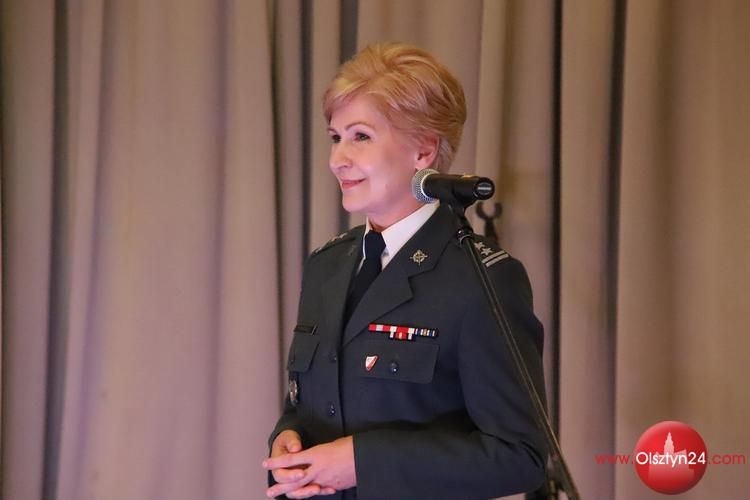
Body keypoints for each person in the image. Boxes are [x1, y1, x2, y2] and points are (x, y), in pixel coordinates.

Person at [262, 42, 548, 499]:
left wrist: (362, 463)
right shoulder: (326, 265)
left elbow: (520, 457)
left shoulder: (482, 279)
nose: (337, 159)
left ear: (424, 151)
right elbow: (309, 402)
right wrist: (289, 436)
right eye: (335, 137)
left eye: (360, 136)